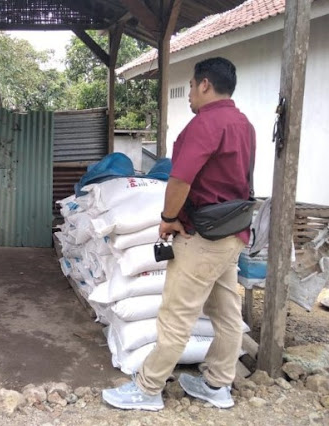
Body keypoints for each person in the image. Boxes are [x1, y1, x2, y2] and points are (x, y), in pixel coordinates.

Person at [102, 57, 256, 411]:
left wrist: (169, 217)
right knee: (226, 312)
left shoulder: (205, 123)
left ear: (204, 85)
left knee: (175, 315)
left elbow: (180, 178)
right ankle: (217, 384)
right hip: (232, 232)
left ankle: (148, 388)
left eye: (189, 86)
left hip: (202, 235)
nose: (187, 94)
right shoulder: (243, 124)